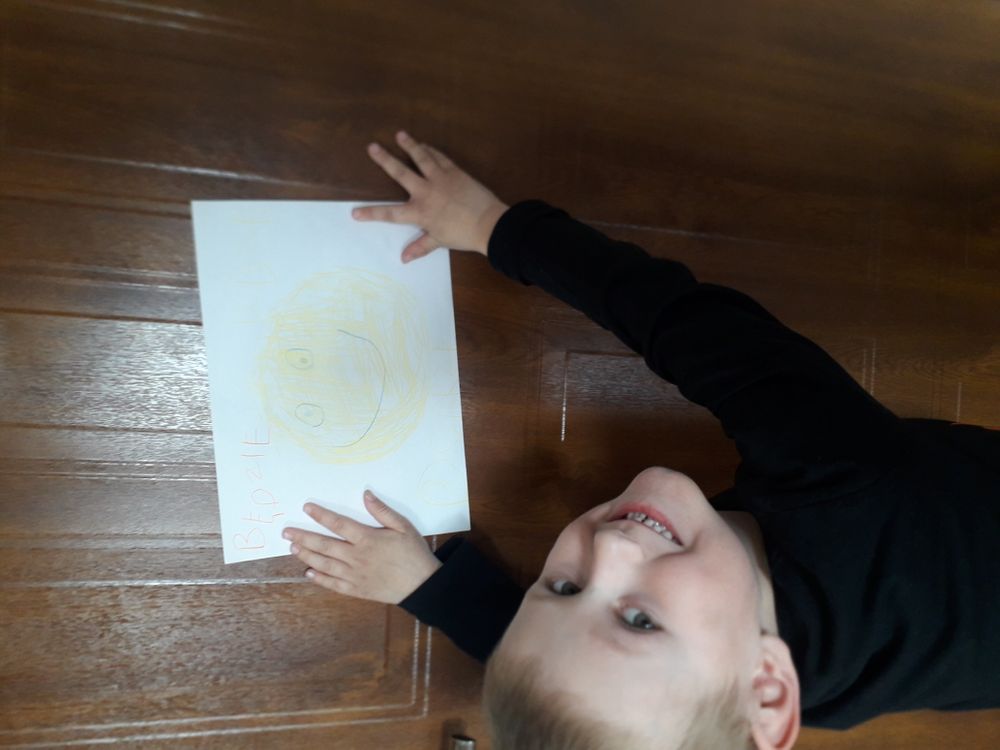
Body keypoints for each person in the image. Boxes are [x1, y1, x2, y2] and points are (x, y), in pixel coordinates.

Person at [285, 130, 1000, 750]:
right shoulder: (839, 469)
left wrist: (429, 587)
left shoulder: (725, 692)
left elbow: (567, 676)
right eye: (638, 620)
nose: (613, 549)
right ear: (767, 690)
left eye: (564, 586)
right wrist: (495, 227)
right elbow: (684, 322)